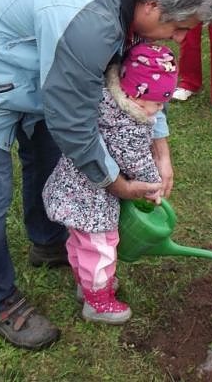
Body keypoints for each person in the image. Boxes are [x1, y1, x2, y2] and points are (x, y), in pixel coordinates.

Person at [0, 0, 212, 350]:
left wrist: (161, 150)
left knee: (47, 157)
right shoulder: (91, 24)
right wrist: (114, 182)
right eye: (181, 28)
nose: (181, 38)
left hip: (31, 66)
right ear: (152, 7)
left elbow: (137, 88)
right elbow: (71, 118)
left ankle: (46, 242)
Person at [43, 43, 178, 325]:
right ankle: (98, 303)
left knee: (80, 242)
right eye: (157, 102)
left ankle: (86, 284)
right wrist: (153, 184)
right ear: (136, 94)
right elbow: (135, 159)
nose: (160, 108)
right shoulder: (130, 123)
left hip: (72, 187)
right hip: (93, 199)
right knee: (102, 248)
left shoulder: (108, 99)